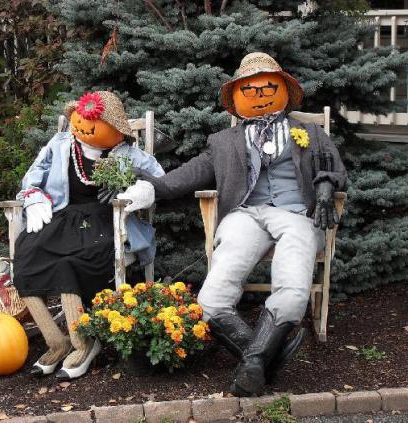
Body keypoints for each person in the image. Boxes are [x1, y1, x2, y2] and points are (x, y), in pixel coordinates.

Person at [119, 52, 347, 395]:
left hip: (297, 213)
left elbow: (334, 169)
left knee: (293, 280)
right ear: (237, 98)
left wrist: (326, 187)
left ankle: (254, 363)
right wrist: (151, 186)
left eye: (268, 87)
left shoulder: (310, 132)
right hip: (245, 215)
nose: (259, 94)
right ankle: (261, 359)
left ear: (284, 91)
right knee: (213, 295)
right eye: (249, 90)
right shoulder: (223, 141)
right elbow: (190, 173)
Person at [13, 91, 164, 380]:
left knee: (71, 263)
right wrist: (33, 197)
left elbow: (159, 178)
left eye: (94, 122)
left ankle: (84, 343)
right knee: (27, 256)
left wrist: (134, 191)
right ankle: (57, 342)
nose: (84, 126)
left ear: (116, 131)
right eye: (80, 119)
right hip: (62, 218)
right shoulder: (60, 144)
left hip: (105, 221)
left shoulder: (127, 154)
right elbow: (34, 174)